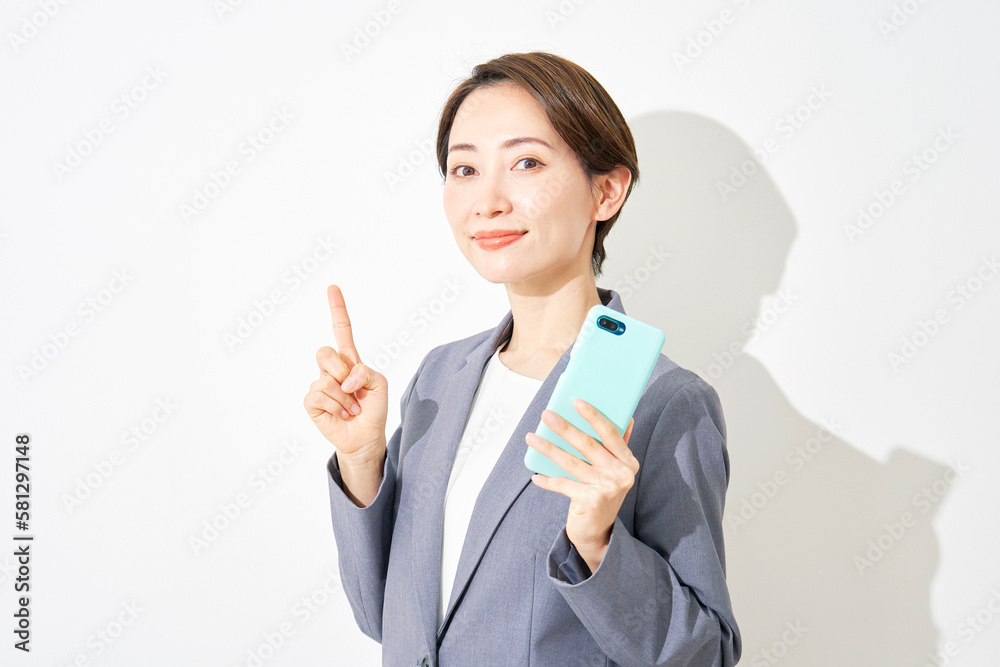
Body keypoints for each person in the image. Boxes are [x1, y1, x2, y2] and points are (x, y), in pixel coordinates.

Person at [304, 51, 741, 666]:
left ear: (607, 191)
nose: (487, 201)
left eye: (527, 162)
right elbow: (382, 616)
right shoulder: (440, 377)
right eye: (464, 169)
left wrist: (597, 544)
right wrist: (361, 460)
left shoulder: (665, 401)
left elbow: (706, 656)